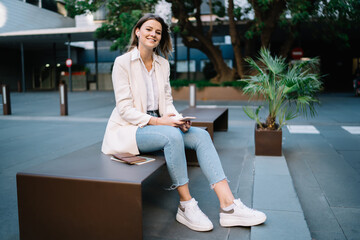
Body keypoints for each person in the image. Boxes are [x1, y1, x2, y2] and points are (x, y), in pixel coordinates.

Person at [101, 13, 266, 232]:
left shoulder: (162, 64)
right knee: (171, 136)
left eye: (158, 32)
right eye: (149, 29)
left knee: (201, 135)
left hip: (159, 123)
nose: (153, 34)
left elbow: (167, 102)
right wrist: (160, 122)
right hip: (131, 128)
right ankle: (186, 206)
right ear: (137, 31)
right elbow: (125, 109)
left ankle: (229, 207)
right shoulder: (122, 63)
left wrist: (178, 120)